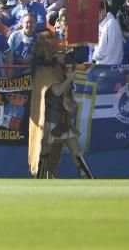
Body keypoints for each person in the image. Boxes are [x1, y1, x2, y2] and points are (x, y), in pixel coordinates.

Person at [30, 34, 93, 179]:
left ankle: (88, 176)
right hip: (51, 116)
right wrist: (69, 79)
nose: (61, 54)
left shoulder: (58, 68)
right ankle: (39, 178)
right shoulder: (43, 71)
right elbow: (57, 91)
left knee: (76, 148)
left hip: (63, 117)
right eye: (58, 52)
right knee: (46, 149)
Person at [91, 0, 123, 65]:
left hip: (108, 70)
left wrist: (91, 63)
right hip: (101, 68)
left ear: (102, 12)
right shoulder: (102, 24)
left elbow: (102, 50)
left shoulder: (110, 24)